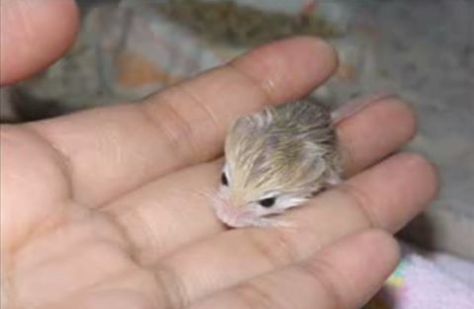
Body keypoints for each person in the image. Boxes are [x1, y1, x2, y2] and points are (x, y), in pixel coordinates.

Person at [0, 1, 438, 308]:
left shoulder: (316, 168)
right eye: (225, 180)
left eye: (266, 203)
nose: (228, 212)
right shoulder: (249, 134)